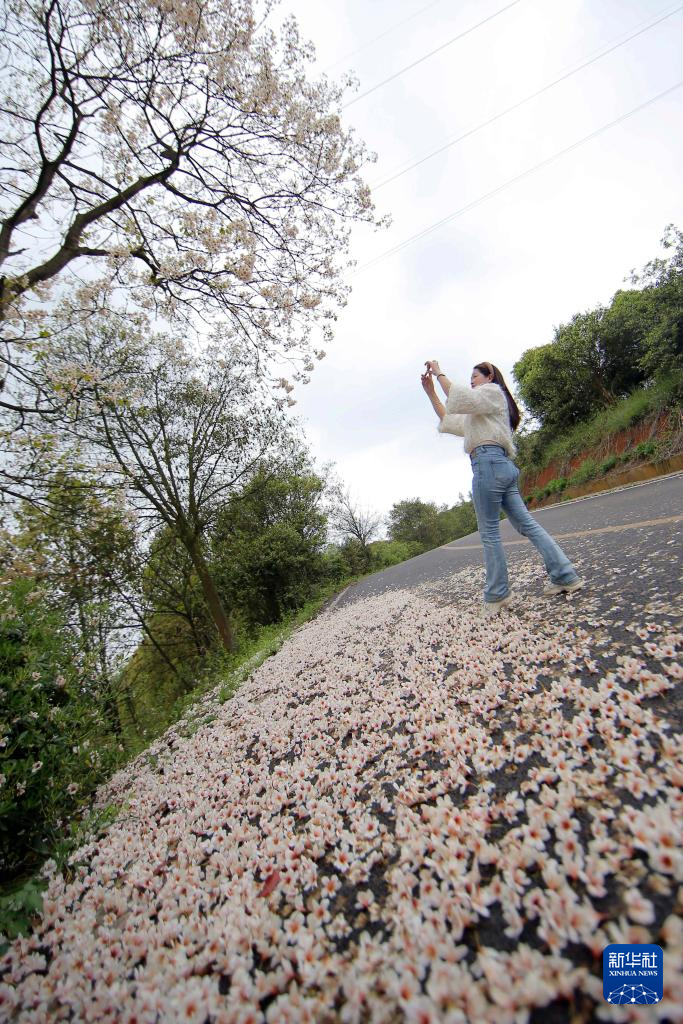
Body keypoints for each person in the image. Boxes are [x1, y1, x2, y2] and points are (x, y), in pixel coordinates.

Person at [421, 358, 584, 615]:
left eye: (475, 375)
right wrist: (431, 393)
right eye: (471, 376)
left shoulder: (493, 393)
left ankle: (497, 595)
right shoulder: (481, 413)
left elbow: (459, 396)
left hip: (488, 465)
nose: (472, 380)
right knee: (526, 524)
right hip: (501, 466)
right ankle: (565, 576)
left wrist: (439, 372)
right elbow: (450, 419)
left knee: (489, 532)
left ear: (490, 378)